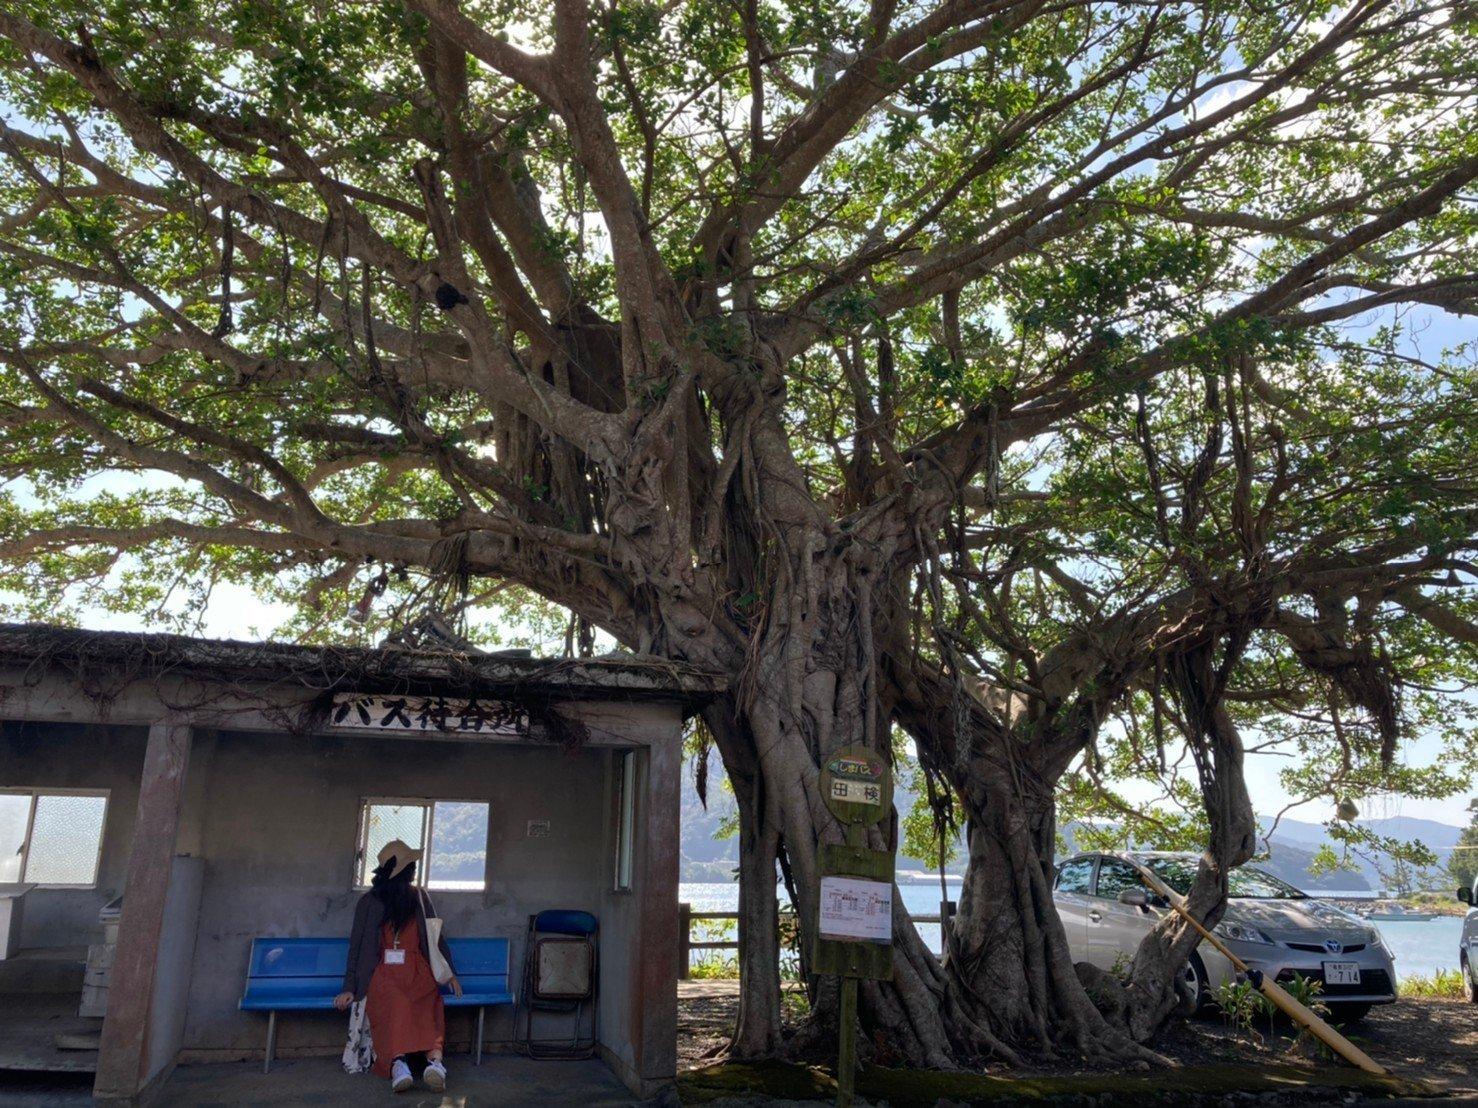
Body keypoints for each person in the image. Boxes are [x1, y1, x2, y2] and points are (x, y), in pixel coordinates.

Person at [334, 839, 463, 1093]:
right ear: (399, 871)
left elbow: (436, 939)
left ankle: (435, 1063)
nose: (413, 870)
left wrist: (450, 975)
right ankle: (398, 1064)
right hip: (383, 973)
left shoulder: (420, 897)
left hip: (418, 971)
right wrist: (349, 987)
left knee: (429, 1001)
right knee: (397, 1002)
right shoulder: (369, 903)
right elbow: (356, 948)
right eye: (410, 866)